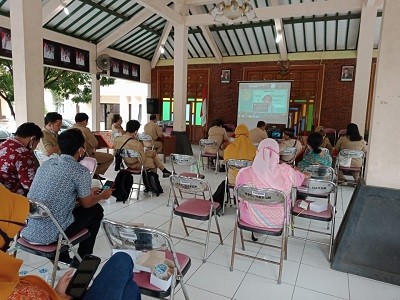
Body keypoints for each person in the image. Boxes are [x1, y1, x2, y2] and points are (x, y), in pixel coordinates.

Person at [0, 186, 142, 300]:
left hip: (33, 235)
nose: (21, 226)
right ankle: (84, 252)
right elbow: (87, 203)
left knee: (130, 288)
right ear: (81, 150)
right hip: (53, 235)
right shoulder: (21, 295)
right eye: (15, 221)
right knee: (122, 259)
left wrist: (57, 293)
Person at [21, 129, 113, 267]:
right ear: (81, 149)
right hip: (50, 235)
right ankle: (82, 260)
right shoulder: (79, 171)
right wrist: (102, 196)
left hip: (29, 230)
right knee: (96, 210)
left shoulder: (47, 165)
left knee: (76, 208)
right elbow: (87, 204)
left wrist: (86, 192)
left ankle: (63, 255)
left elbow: (58, 191)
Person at [235, 139, 306, 236]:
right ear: (277, 154)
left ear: (257, 152)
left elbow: (239, 196)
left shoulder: (244, 173)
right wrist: (303, 174)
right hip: (279, 220)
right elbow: (299, 181)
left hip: (249, 218)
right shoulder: (287, 171)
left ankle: (258, 227)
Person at [0, 122, 43, 195]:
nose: (35, 147)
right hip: (15, 197)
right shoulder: (23, 154)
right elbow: (29, 184)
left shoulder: (3, 145)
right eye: (37, 143)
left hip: (3, 194)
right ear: (32, 139)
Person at [72, 113, 114, 179]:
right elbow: (95, 144)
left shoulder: (69, 129)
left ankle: (92, 173)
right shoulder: (85, 130)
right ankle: (94, 173)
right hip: (87, 155)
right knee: (110, 157)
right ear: (85, 121)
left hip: (73, 157)